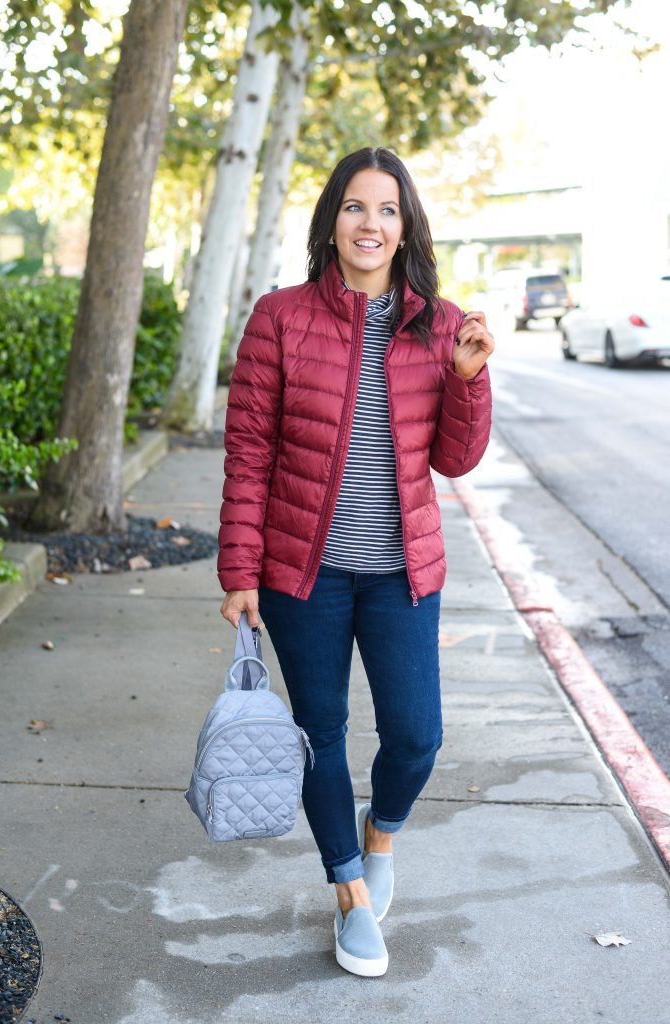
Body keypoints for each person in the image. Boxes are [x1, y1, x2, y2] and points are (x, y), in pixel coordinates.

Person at [218, 147, 493, 977]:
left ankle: (379, 841)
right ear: (329, 220)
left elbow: (453, 460)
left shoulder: (440, 323)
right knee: (320, 736)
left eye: (385, 210)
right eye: (353, 207)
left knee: (415, 735)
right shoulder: (279, 317)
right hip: (303, 574)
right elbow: (247, 453)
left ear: (404, 226)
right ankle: (349, 894)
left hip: (401, 571)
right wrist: (239, 570)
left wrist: (468, 381)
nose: (368, 224)